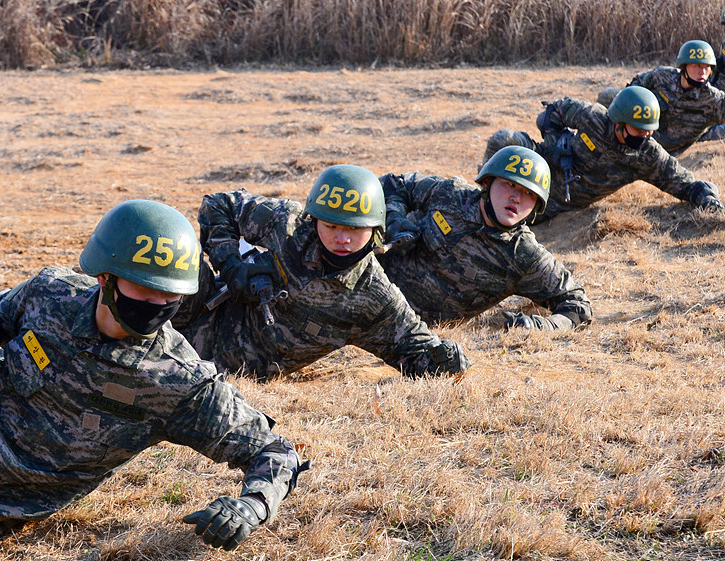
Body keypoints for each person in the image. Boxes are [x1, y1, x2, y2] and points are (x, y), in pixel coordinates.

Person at [0, 200, 307, 560]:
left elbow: (275, 452)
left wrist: (251, 507)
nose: (156, 306)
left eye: (168, 297)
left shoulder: (178, 383)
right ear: (104, 277)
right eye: (144, 289)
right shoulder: (51, 292)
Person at [173, 164, 470, 381]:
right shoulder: (286, 225)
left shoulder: (373, 297)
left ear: (375, 230)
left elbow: (416, 352)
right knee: (175, 251)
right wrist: (230, 265)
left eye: (355, 229)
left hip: (228, 372)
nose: (342, 238)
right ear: (314, 220)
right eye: (331, 226)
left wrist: (449, 360)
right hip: (189, 314)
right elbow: (219, 204)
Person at [378, 146, 592, 331]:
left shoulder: (524, 255)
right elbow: (394, 184)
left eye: (529, 194)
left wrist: (540, 326)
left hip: (410, 328)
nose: (516, 198)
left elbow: (577, 306)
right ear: (488, 182)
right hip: (367, 286)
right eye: (510, 184)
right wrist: (394, 219)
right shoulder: (450, 195)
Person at [483, 86, 724, 223]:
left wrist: (708, 199)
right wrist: (556, 143)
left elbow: (685, 183)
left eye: (649, 132)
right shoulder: (591, 116)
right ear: (619, 123)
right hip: (539, 165)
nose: (645, 137)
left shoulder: (646, 155)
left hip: (556, 202)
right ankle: (482, 199)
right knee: (505, 140)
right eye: (639, 130)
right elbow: (551, 113)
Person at [596, 40, 725, 153]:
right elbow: (634, 88)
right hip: (638, 135)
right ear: (683, 66)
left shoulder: (714, 100)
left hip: (663, 152)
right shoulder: (662, 76)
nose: (702, 72)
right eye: (697, 66)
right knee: (608, 96)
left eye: (707, 67)